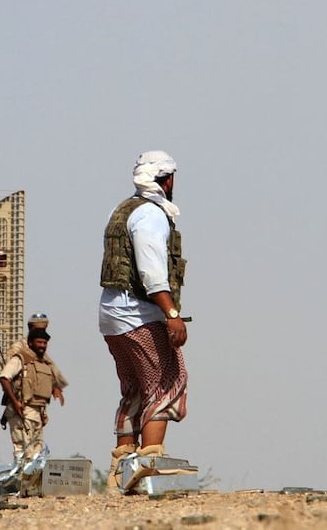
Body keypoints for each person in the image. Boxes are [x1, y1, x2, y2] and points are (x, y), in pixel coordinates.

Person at [99, 150, 189, 492]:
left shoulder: (122, 209)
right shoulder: (151, 215)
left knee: (133, 389)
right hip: (140, 313)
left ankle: (120, 470)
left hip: (111, 315)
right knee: (165, 384)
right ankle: (147, 470)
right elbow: (151, 271)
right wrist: (172, 314)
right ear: (166, 180)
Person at [0, 327, 65, 463]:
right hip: (22, 411)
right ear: (30, 343)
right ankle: (21, 483)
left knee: (37, 455)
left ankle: (31, 483)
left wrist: (55, 390)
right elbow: (4, 378)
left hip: (37, 413)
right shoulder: (20, 360)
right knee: (23, 453)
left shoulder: (44, 363)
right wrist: (15, 402)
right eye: (39, 342)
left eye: (44, 343)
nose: (42, 346)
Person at [3, 312, 69, 393]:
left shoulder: (42, 353)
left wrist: (54, 387)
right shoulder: (18, 347)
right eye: (38, 329)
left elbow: (52, 373)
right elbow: (8, 374)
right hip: (20, 397)